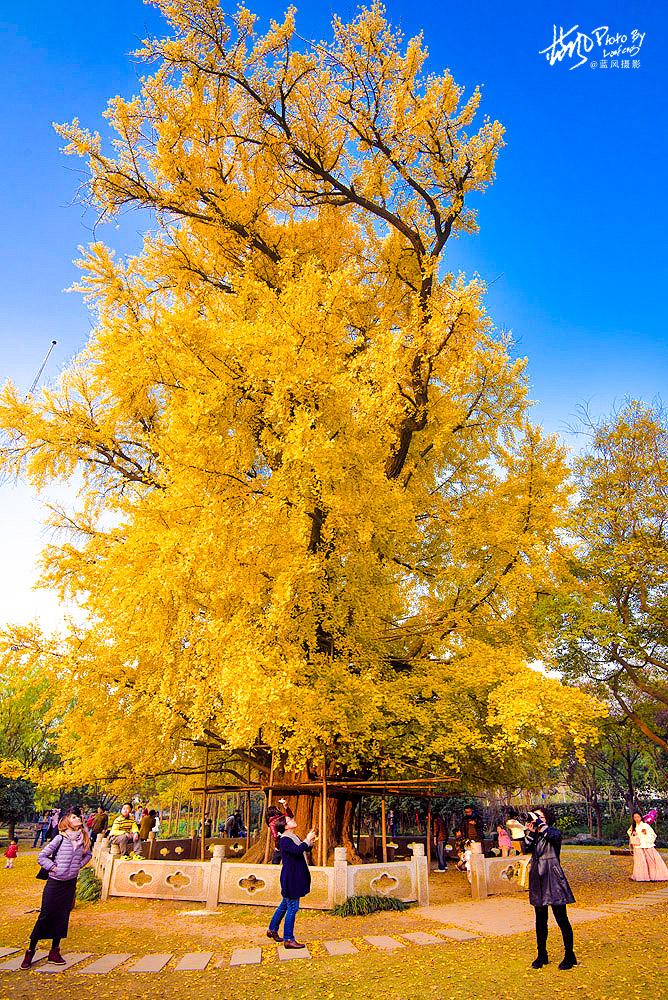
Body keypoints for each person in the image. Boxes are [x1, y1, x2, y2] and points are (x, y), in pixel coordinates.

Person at [20, 811, 92, 969]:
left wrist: (78, 866)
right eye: (74, 817)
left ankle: (54, 951)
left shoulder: (83, 838)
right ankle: (30, 950)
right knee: (46, 915)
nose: (78, 819)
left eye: (78, 817)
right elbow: (42, 856)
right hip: (55, 882)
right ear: (66, 822)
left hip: (70, 883)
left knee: (62, 915)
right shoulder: (60, 838)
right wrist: (54, 868)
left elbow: (88, 855)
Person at [524, 807, 576, 971]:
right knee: (540, 919)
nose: (536, 819)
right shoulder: (536, 833)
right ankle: (542, 954)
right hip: (537, 878)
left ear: (546, 818)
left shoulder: (553, 831)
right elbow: (525, 848)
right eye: (535, 816)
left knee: (561, 918)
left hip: (552, 878)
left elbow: (553, 837)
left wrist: (540, 824)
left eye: (540, 816)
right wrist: (532, 832)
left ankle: (569, 954)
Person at [266, 816, 316, 949]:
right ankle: (288, 939)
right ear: (286, 826)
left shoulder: (294, 837)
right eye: (289, 820)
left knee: (284, 905)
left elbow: (304, 848)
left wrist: (310, 841)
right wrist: (306, 840)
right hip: (291, 877)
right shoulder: (284, 840)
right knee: (293, 908)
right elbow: (297, 850)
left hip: (295, 875)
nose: (293, 819)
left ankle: (272, 929)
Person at [628, 811, 668, 881]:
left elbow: (653, 834)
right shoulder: (633, 826)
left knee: (651, 861)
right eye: (635, 817)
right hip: (638, 846)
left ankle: (654, 876)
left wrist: (646, 833)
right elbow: (629, 833)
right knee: (640, 862)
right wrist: (633, 834)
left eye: (638, 817)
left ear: (641, 817)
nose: (636, 819)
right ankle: (641, 876)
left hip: (647, 845)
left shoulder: (645, 825)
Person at [266, 799, 294, 864]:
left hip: (282, 842)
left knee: (276, 860)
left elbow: (275, 836)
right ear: (274, 811)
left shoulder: (278, 819)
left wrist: (286, 807)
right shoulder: (274, 822)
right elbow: (275, 836)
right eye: (277, 809)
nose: (279, 809)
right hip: (285, 841)